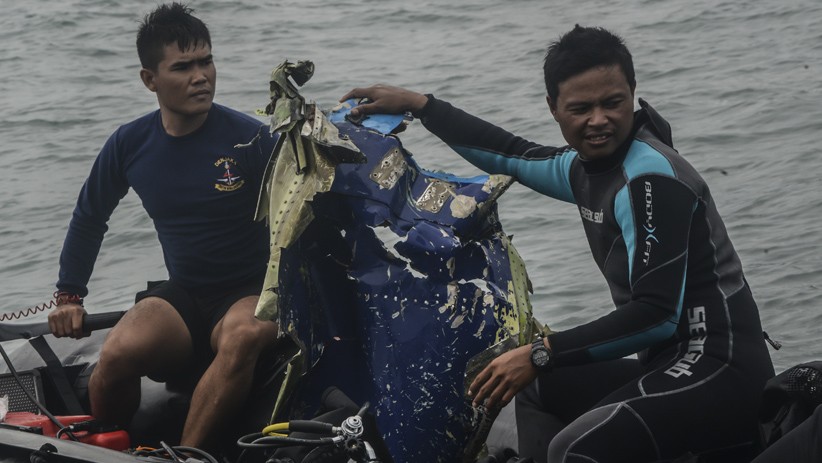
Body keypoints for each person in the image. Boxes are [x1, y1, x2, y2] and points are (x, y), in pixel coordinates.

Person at [342, 25, 775, 462]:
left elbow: (656, 317)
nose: (598, 120)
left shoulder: (651, 179)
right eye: (581, 108)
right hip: (665, 364)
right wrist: (422, 106)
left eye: (613, 103)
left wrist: (543, 352)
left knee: (578, 445)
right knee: (524, 391)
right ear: (553, 108)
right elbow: (509, 152)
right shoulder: (590, 168)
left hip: (719, 368)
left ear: (633, 92)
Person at [48, 3, 279, 450]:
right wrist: (69, 295)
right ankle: (111, 450)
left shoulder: (252, 139)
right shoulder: (130, 144)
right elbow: (90, 218)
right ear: (149, 79)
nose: (201, 76)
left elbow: (309, 216)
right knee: (115, 354)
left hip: (253, 293)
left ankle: (186, 457)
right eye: (183, 66)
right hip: (185, 295)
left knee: (243, 334)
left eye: (207, 61)